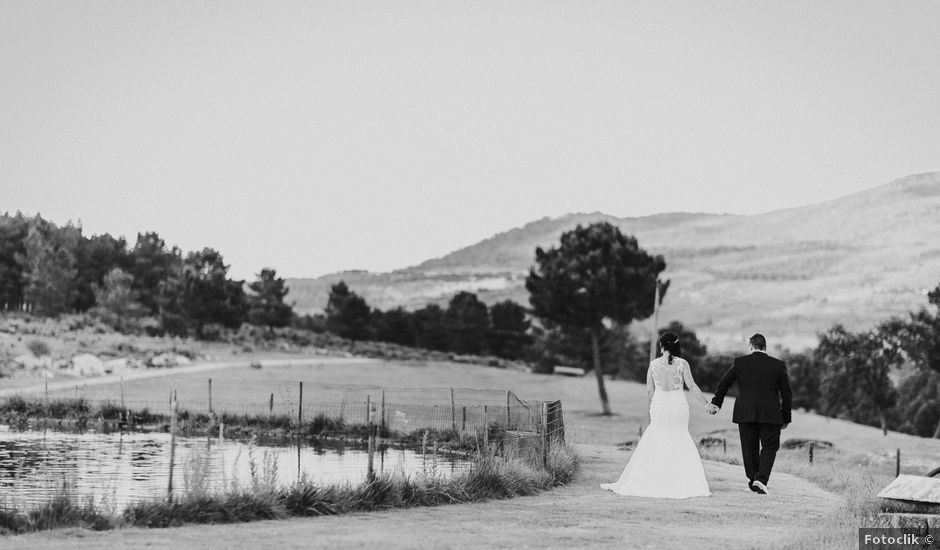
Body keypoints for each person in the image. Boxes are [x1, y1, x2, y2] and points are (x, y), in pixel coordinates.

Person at [600, 332, 711, 498]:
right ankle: (681, 480)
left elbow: (649, 390)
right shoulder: (682, 364)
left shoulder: (653, 365)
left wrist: (656, 403)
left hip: (660, 405)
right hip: (678, 405)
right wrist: (707, 404)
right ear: (676, 346)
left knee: (657, 437)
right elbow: (692, 386)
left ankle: (653, 478)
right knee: (680, 437)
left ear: (662, 346)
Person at [706, 333, 793, 495]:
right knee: (770, 446)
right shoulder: (778, 365)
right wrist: (786, 417)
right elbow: (787, 393)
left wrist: (717, 403)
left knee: (749, 448)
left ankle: (755, 480)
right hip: (770, 414)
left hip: (745, 413)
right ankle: (760, 480)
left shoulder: (740, 363)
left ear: (751, 346)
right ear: (765, 347)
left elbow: (724, 383)